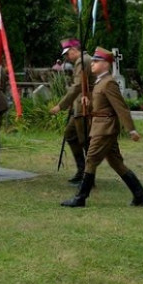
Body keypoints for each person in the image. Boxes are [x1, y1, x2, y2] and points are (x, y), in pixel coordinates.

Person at [62, 47, 143, 207]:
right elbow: (101, 107)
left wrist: (131, 129)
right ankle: (140, 196)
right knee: (117, 163)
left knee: (91, 159)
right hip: (100, 127)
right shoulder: (100, 82)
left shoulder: (109, 83)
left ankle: (80, 198)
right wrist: (88, 104)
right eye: (92, 61)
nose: (92, 64)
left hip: (105, 129)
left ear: (106, 65)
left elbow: (121, 107)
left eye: (96, 61)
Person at [49, 38, 94, 184]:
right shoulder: (84, 59)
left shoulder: (82, 61)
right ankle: (82, 171)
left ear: (74, 50)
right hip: (79, 105)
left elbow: (77, 86)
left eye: (67, 54)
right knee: (70, 134)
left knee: (86, 141)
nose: (67, 58)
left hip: (85, 106)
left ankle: (88, 177)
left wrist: (60, 105)